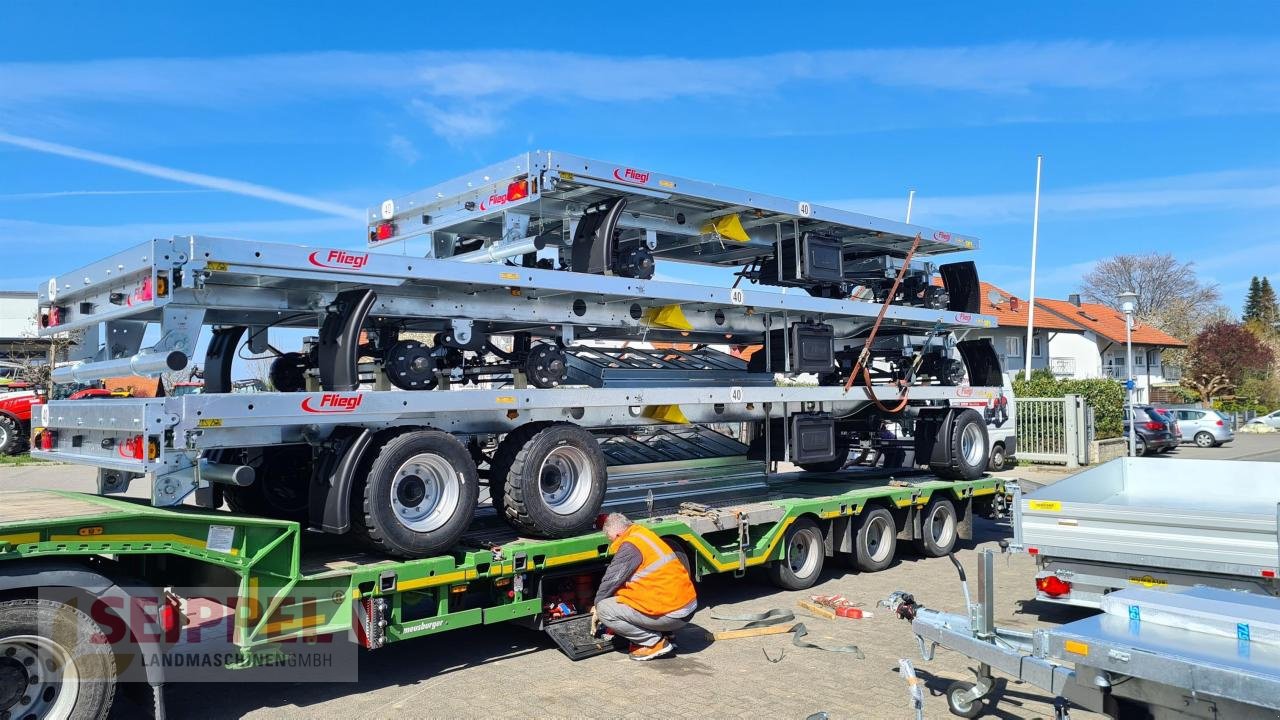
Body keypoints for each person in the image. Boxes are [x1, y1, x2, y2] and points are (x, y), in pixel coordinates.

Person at [592, 512, 697, 660]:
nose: (610, 542)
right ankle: (667, 634)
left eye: (609, 538)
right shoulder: (643, 534)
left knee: (605, 609)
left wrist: (597, 606)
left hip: (672, 613)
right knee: (625, 593)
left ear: (616, 534)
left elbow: (611, 580)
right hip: (686, 606)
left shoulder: (629, 547)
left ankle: (653, 643)